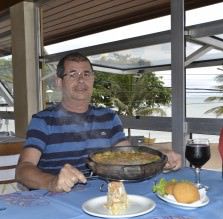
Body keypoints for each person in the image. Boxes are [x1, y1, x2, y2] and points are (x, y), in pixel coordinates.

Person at [15, 52, 181, 193]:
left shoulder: (108, 117)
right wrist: (53, 182)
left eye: (86, 74)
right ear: (59, 82)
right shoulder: (43, 120)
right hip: (55, 199)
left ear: (93, 79)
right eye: (72, 75)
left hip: (101, 195)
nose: (81, 80)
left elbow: (128, 153)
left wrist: (159, 158)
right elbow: (23, 170)